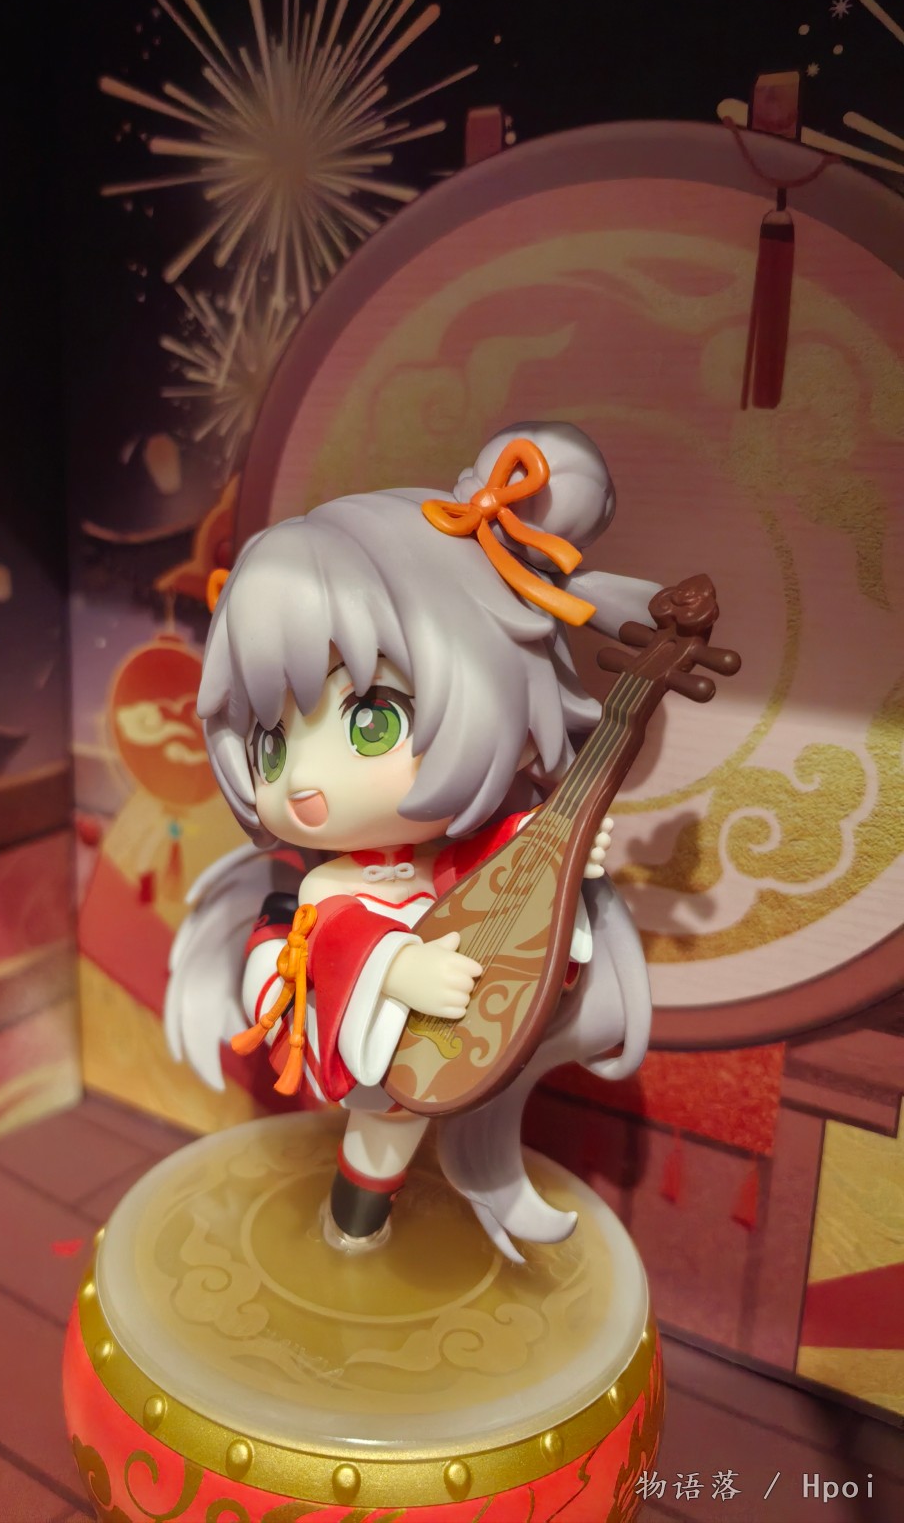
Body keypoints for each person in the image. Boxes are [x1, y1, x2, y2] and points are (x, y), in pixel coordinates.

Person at [164, 423, 656, 1259]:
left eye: (371, 722)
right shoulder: (326, 885)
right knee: (380, 1140)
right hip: (371, 1028)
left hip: (445, 1029)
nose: (301, 781)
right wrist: (395, 969)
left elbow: (483, 871)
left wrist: (555, 846)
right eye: (270, 746)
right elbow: (337, 937)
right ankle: (356, 1223)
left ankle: (373, 1214)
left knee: (404, 1128)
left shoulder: (444, 852)